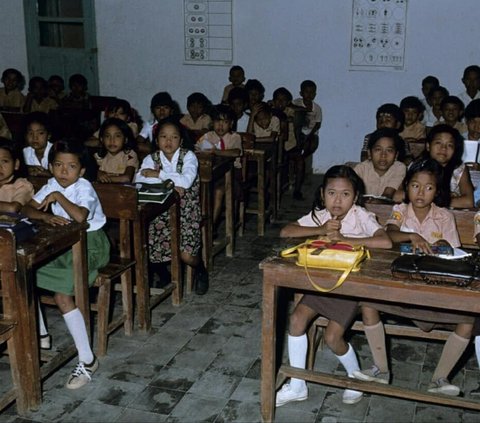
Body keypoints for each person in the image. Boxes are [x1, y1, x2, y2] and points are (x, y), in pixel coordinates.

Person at [275, 165, 391, 407]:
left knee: (331, 337)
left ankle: (353, 377)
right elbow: (286, 232)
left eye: (345, 194)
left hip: (350, 288)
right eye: (331, 193)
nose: (337, 200)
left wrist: (345, 239)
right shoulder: (320, 216)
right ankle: (297, 385)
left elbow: (385, 242)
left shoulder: (361, 216)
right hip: (322, 285)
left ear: (355, 197)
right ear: (322, 194)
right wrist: (321, 229)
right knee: (296, 320)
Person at [357, 158, 472, 397]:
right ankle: (381, 369)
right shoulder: (400, 211)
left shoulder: (444, 217)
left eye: (428, 187)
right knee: (367, 304)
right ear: (406, 187)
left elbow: (455, 254)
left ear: (437, 191)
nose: (421, 192)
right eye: (415, 186)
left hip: (433, 290)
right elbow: (390, 233)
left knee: (468, 320)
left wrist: (443, 245)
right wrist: (411, 236)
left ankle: (440, 379)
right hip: (402, 288)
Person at [22, 140, 110, 389]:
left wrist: (57, 196)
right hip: (64, 245)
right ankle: (42, 335)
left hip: (91, 246)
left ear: (81, 171)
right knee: (24, 276)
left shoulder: (84, 188)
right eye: (58, 165)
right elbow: (28, 209)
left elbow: (80, 217)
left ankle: (87, 359)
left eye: (71, 166)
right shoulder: (51, 183)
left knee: (62, 295)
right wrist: (45, 215)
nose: (63, 171)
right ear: (50, 166)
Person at [134, 117, 208, 295]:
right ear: (156, 140)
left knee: (187, 256)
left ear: (181, 140)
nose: (168, 141)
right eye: (163, 137)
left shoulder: (188, 156)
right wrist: (170, 182)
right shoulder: (150, 158)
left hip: (186, 211)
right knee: (151, 250)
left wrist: (158, 174)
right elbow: (139, 180)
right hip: (159, 211)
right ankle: (165, 276)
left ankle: (200, 269)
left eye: (174, 137)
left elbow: (186, 181)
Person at [395, 124, 474, 207]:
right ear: (428, 146)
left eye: (449, 145)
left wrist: (426, 200)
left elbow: (468, 202)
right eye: (438, 143)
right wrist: (442, 199)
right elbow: (397, 195)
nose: (443, 148)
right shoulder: (418, 165)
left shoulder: (458, 169)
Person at [196, 105, 242, 228]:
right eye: (217, 122)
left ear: (231, 124)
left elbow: (236, 152)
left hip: (231, 176)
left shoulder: (235, 137)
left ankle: (211, 227)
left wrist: (215, 151)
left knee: (218, 192)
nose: (220, 126)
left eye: (225, 122)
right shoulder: (208, 136)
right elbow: (197, 148)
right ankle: (198, 223)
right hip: (212, 174)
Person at [291, 80, 322, 200]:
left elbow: (318, 124)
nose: (309, 95)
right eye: (306, 92)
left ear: (315, 94)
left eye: (312, 93)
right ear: (301, 93)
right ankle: (298, 167)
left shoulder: (317, 108)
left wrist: (309, 135)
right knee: (298, 144)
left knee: (312, 145)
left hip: (311, 133)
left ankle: (302, 161)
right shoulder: (296, 103)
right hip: (298, 132)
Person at [354, 128, 406, 199]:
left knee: (400, 195)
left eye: (389, 150)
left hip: (387, 208)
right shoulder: (361, 169)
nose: (383, 155)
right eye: (378, 149)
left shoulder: (399, 168)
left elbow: (387, 194)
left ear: (396, 155)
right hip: (361, 208)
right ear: (369, 153)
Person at [94, 117, 139, 183]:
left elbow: (126, 178)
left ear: (125, 139)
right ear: (101, 139)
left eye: (117, 136)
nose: (112, 140)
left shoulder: (129, 155)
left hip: (125, 191)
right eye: (107, 136)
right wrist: (98, 173)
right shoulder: (98, 156)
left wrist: (102, 178)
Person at [0, 138, 34, 213]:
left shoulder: (22, 185)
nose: (0, 166)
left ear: (16, 164)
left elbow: (13, 208)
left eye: (4, 161)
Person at [22, 111, 53, 177]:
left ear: (49, 135)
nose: (35, 138)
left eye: (40, 133)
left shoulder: (56, 151)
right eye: (30, 133)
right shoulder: (25, 152)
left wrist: (48, 174)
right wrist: (27, 169)